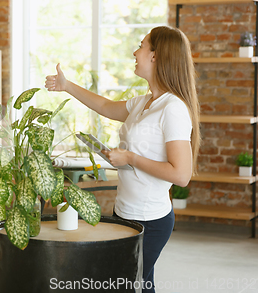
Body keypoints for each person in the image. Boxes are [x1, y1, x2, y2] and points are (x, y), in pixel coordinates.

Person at [45, 26, 200, 293]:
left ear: (156, 55)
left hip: (151, 220)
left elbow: (181, 175)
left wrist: (130, 157)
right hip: (124, 212)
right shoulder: (144, 103)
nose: (134, 52)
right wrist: (66, 86)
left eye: (141, 45)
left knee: (121, 282)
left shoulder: (173, 108)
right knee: (139, 282)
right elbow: (105, 106)